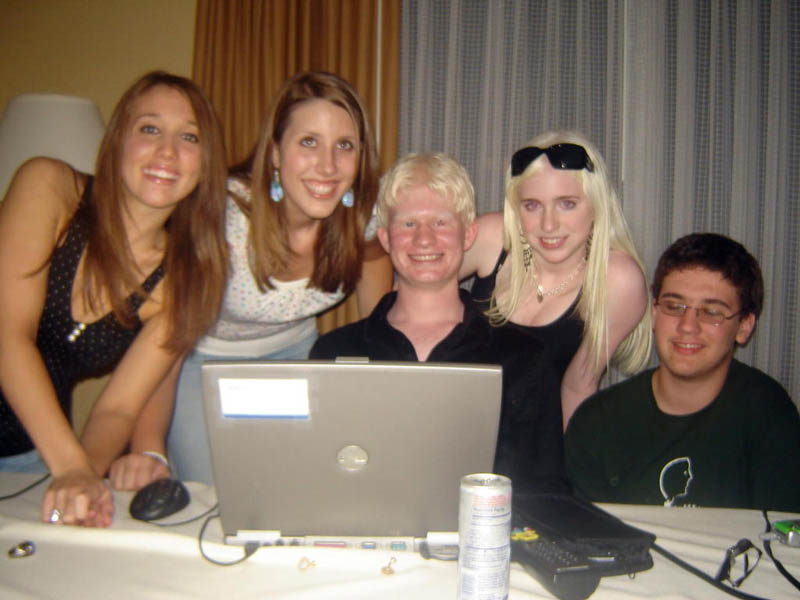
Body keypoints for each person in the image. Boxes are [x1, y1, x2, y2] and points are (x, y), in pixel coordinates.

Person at [0, 71, 229, 526]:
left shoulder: (184, 280)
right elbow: (7, 335)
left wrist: (84, 476)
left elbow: (118, 408)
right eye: (150, 129)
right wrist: (71, 466)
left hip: (25, 453)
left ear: (206, 163)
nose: (168, 151)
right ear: (117, 140)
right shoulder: (49, 187)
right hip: (51, 452)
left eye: (189, 137)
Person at [163, 71, 393, 484]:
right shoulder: (221, 218)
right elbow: (164, 337)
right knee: (213, 497)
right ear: (274, 152)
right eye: (309, 142)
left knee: (301, 486)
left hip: (294, 356)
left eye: (344, 145)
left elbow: (375, 258)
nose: (327, 165)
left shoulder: (361, 216)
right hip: (201, 363)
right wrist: (147, 445)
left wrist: (376, 350)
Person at [311, 153, 568, 493]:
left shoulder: (523, 358)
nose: (424, 239)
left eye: (441, 223)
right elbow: (318, 478)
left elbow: (545, 491)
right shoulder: (332, 352)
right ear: (386, 239)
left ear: (468, 235)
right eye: (408, 224)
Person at [565, 233, 800, 511]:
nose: (688, 326)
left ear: (744, 326)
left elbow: (781, 530)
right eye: (674, 307)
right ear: (654, 313)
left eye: (712, 312)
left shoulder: (768, 415)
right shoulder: (597, 423)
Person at [461, 131, 652, 428]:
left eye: (567, 204)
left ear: (596, 204)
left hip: (536, 446)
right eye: (532, 205)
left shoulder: (616, 279)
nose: (548, 225)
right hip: (455, 427)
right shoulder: (492, 238)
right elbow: (416, 288)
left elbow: (577, 388)